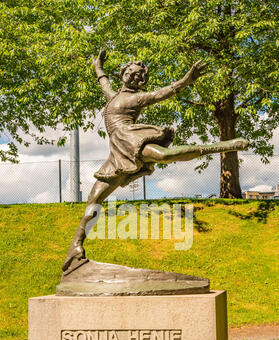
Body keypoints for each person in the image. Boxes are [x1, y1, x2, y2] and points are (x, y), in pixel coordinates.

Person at [62, 50, 248, 273]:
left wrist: (187, 79)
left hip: (131, 140)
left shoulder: (138, 98)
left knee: (165, 156)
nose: (134, 77)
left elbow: (165, 93)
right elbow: (104, 83)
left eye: (139, 76)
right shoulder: (113, 96)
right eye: (131, 72)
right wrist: (98, 67)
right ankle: (76, 248)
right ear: (124, 73)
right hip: (117, 152)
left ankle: (225, 146)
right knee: (94, 198)